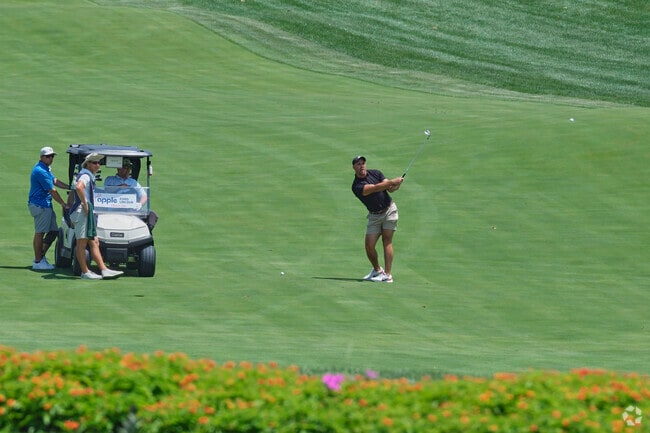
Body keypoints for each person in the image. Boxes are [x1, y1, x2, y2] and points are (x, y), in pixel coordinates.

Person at [69, 153, 124, 280]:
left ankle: (104, 270)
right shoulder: (85, 176)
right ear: (87, 164)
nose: (97, 165)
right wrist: (85, 204)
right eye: (94, 163)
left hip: (86, 213)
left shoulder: (87, 175)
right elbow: (79, 187)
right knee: (81, 243)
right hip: (82, 212)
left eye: (98, 163)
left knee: (94, 241)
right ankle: (85, 272)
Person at [351, 156, 404, 283]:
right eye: (358, 164)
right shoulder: (357, 186)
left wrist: (396, 184)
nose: (362, 166)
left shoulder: (376, 173)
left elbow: (389, 189)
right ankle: (377, 270)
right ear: (354, 167)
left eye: (363, 163)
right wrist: (392, 181)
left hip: (389, 210)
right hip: (374, 216)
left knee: (387, 241)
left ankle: (387, 275)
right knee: (369, 246)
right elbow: (374, 188)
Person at [28, 146, 70, 270]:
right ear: (41, 157)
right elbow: (52, 190)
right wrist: (63, 203)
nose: (51, 158)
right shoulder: (40, 170)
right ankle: (37, 261)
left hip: (46, 205)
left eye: (52, 156)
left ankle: (40, 256)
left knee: (53, 232)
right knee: (40, 233)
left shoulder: (46, 169)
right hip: (40, 205)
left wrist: (70, 187)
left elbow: (55, 181)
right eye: (48, 156)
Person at [104, 158, 158, 231]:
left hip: (131, 211)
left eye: (129, 168)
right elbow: (107, 189)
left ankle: (146, 232)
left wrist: (139, 204)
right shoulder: (110, 179)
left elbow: (144, 196)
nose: (127, 170)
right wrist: (119, 187)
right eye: (125, 168)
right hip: (114, 210)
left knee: (152, 215)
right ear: (118, 168)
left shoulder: (133, 182)